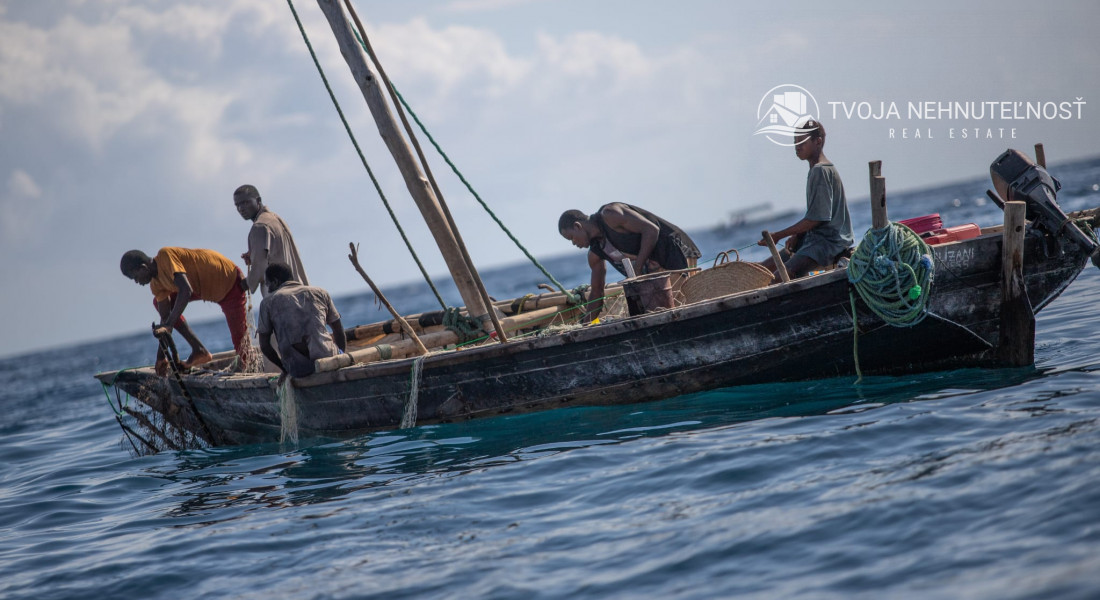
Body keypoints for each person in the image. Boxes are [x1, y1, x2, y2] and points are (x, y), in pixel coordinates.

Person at [120, 247, 253, 375]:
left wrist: (169, 324)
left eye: (135, 278)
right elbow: (165, 318)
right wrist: (161, 357)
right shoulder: (156, 285)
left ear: (143, 268)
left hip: (229, 282)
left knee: (242, 348)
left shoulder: (165, 256)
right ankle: (199, 350)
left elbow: (186, 290)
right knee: (159, 305)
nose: (137, 282)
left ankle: (250, 370)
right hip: (203, 288)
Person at [558, 203, 700, 317]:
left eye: (571, 238)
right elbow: (597, 292)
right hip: (658, 274)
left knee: (684, 305)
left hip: (676, 253)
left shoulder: (610, 214)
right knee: (660, 311)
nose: (574, 244)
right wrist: (586, 323)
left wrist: (637, 269)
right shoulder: (595, 254)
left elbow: (651, 230)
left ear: (578, 226)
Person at [758, 119, 853, 281]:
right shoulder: (820, 168)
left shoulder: (820, 171)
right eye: (795, 142)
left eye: (802, 141)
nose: (797, 146)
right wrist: (797, 236)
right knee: (762, 269)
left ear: (818, 141)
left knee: (777, 279)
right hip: (814, 240)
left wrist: (778, 235)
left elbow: (816, 218)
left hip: (827, 243)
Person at [257, 263, 346, 379]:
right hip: (329, 359)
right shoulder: (320, 292)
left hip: (298, 369)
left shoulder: (267, 302)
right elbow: (338, 330)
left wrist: (285, 369)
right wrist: (342, 358)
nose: (268, 290)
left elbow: (264, 345)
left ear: (275, 282)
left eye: (268, 285)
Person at [233, 184, 309, 297]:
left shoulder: (259, 226)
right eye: (237, 205)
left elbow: (259, 268)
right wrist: (253, 256)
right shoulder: (276, 219)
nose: (241, 209)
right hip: (300, 293)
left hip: (281, 298)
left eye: (245, 202)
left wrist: (243, 284)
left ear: (258, 200)